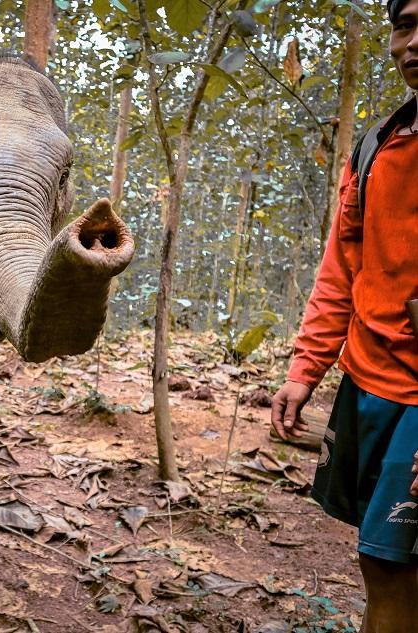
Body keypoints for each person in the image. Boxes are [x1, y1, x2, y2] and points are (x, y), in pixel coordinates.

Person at [271, 1, 418, 631]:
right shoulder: (377, 144)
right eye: (406, 23)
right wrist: (306, 368)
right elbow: (344, 267)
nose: (415, 41)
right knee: (385, 561)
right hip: (368, 384)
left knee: (389, 567)